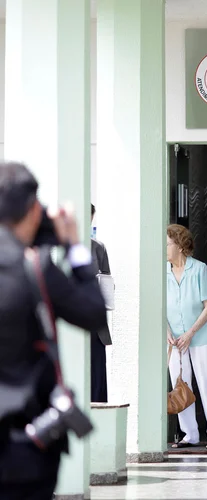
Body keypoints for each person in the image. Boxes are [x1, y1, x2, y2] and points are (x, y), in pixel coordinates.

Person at [0, 162, 107, 499]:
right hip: (26, 451)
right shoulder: (36, 268)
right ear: (33, 210)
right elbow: (93, 312)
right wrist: (73, 245)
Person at [166, 224, 207, 450]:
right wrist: (168, 332)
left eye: (168, 244)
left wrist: (190, 333)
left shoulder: (199, 269)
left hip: (201, 336)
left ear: (180, 246)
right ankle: (189, 434)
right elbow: (158, 305)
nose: (165, 248)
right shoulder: (162, 271)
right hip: (174, 340)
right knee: (180, 385)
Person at [90, 203, 113, 403]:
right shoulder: (58, 246)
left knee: (97, 377)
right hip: (71, 322)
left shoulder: (99, 248)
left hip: (95, 324)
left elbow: (107, 282)